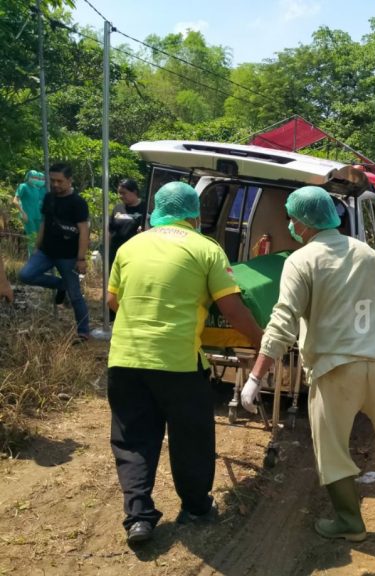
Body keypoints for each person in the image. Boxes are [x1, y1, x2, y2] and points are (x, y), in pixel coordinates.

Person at [241, 186, 375, 543]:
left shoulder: (302, 260)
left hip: (334, 368)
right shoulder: (367, 254)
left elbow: (283, 320)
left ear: (304, 222)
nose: (292, 225)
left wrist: (255, 375)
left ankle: (349, 522)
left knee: (333, 448)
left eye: (293, 219)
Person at [106, 181, 263, 545]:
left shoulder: (131, 246)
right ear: (194, 213)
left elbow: (113, 300)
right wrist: (261, 340)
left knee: (133, 440)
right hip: (177, 362)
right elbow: (232, 308)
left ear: (157, 210)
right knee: (190, 436)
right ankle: (195, 507)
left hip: (125, 358)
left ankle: (139, 518)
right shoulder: (206, 249)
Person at [19, 163, 90, 342]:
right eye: (53, 181)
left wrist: (81, 258)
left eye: (60, 181)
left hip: (68, 256)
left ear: (69, 180)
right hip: (46, 252)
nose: (56, 184)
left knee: (75, 295)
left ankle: (83, 331)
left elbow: (84, 231)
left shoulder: (78, 203)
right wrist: (37, 247)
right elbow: (44, 223)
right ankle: (61, 285)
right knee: (26, 275)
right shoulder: (49, 197)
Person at [108, 178, 146, 269]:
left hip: (134, 254)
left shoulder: (145, 208)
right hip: (115, 253)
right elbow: (110, 230)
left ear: (134, 192)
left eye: (124, 193)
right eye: (119, 193)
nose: (120, 196)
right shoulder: (118, 208)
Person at [12, 170, 47, 256]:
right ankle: (32, 261)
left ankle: (39, 260)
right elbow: (15, 201)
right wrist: (23, 213)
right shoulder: (23, 186)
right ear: (28, 177)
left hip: (38, 216)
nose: (35, 179)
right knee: (32, 239)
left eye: (36, 177)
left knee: (40, 238)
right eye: (33, 177)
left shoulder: (36, 188)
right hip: (28, 216)